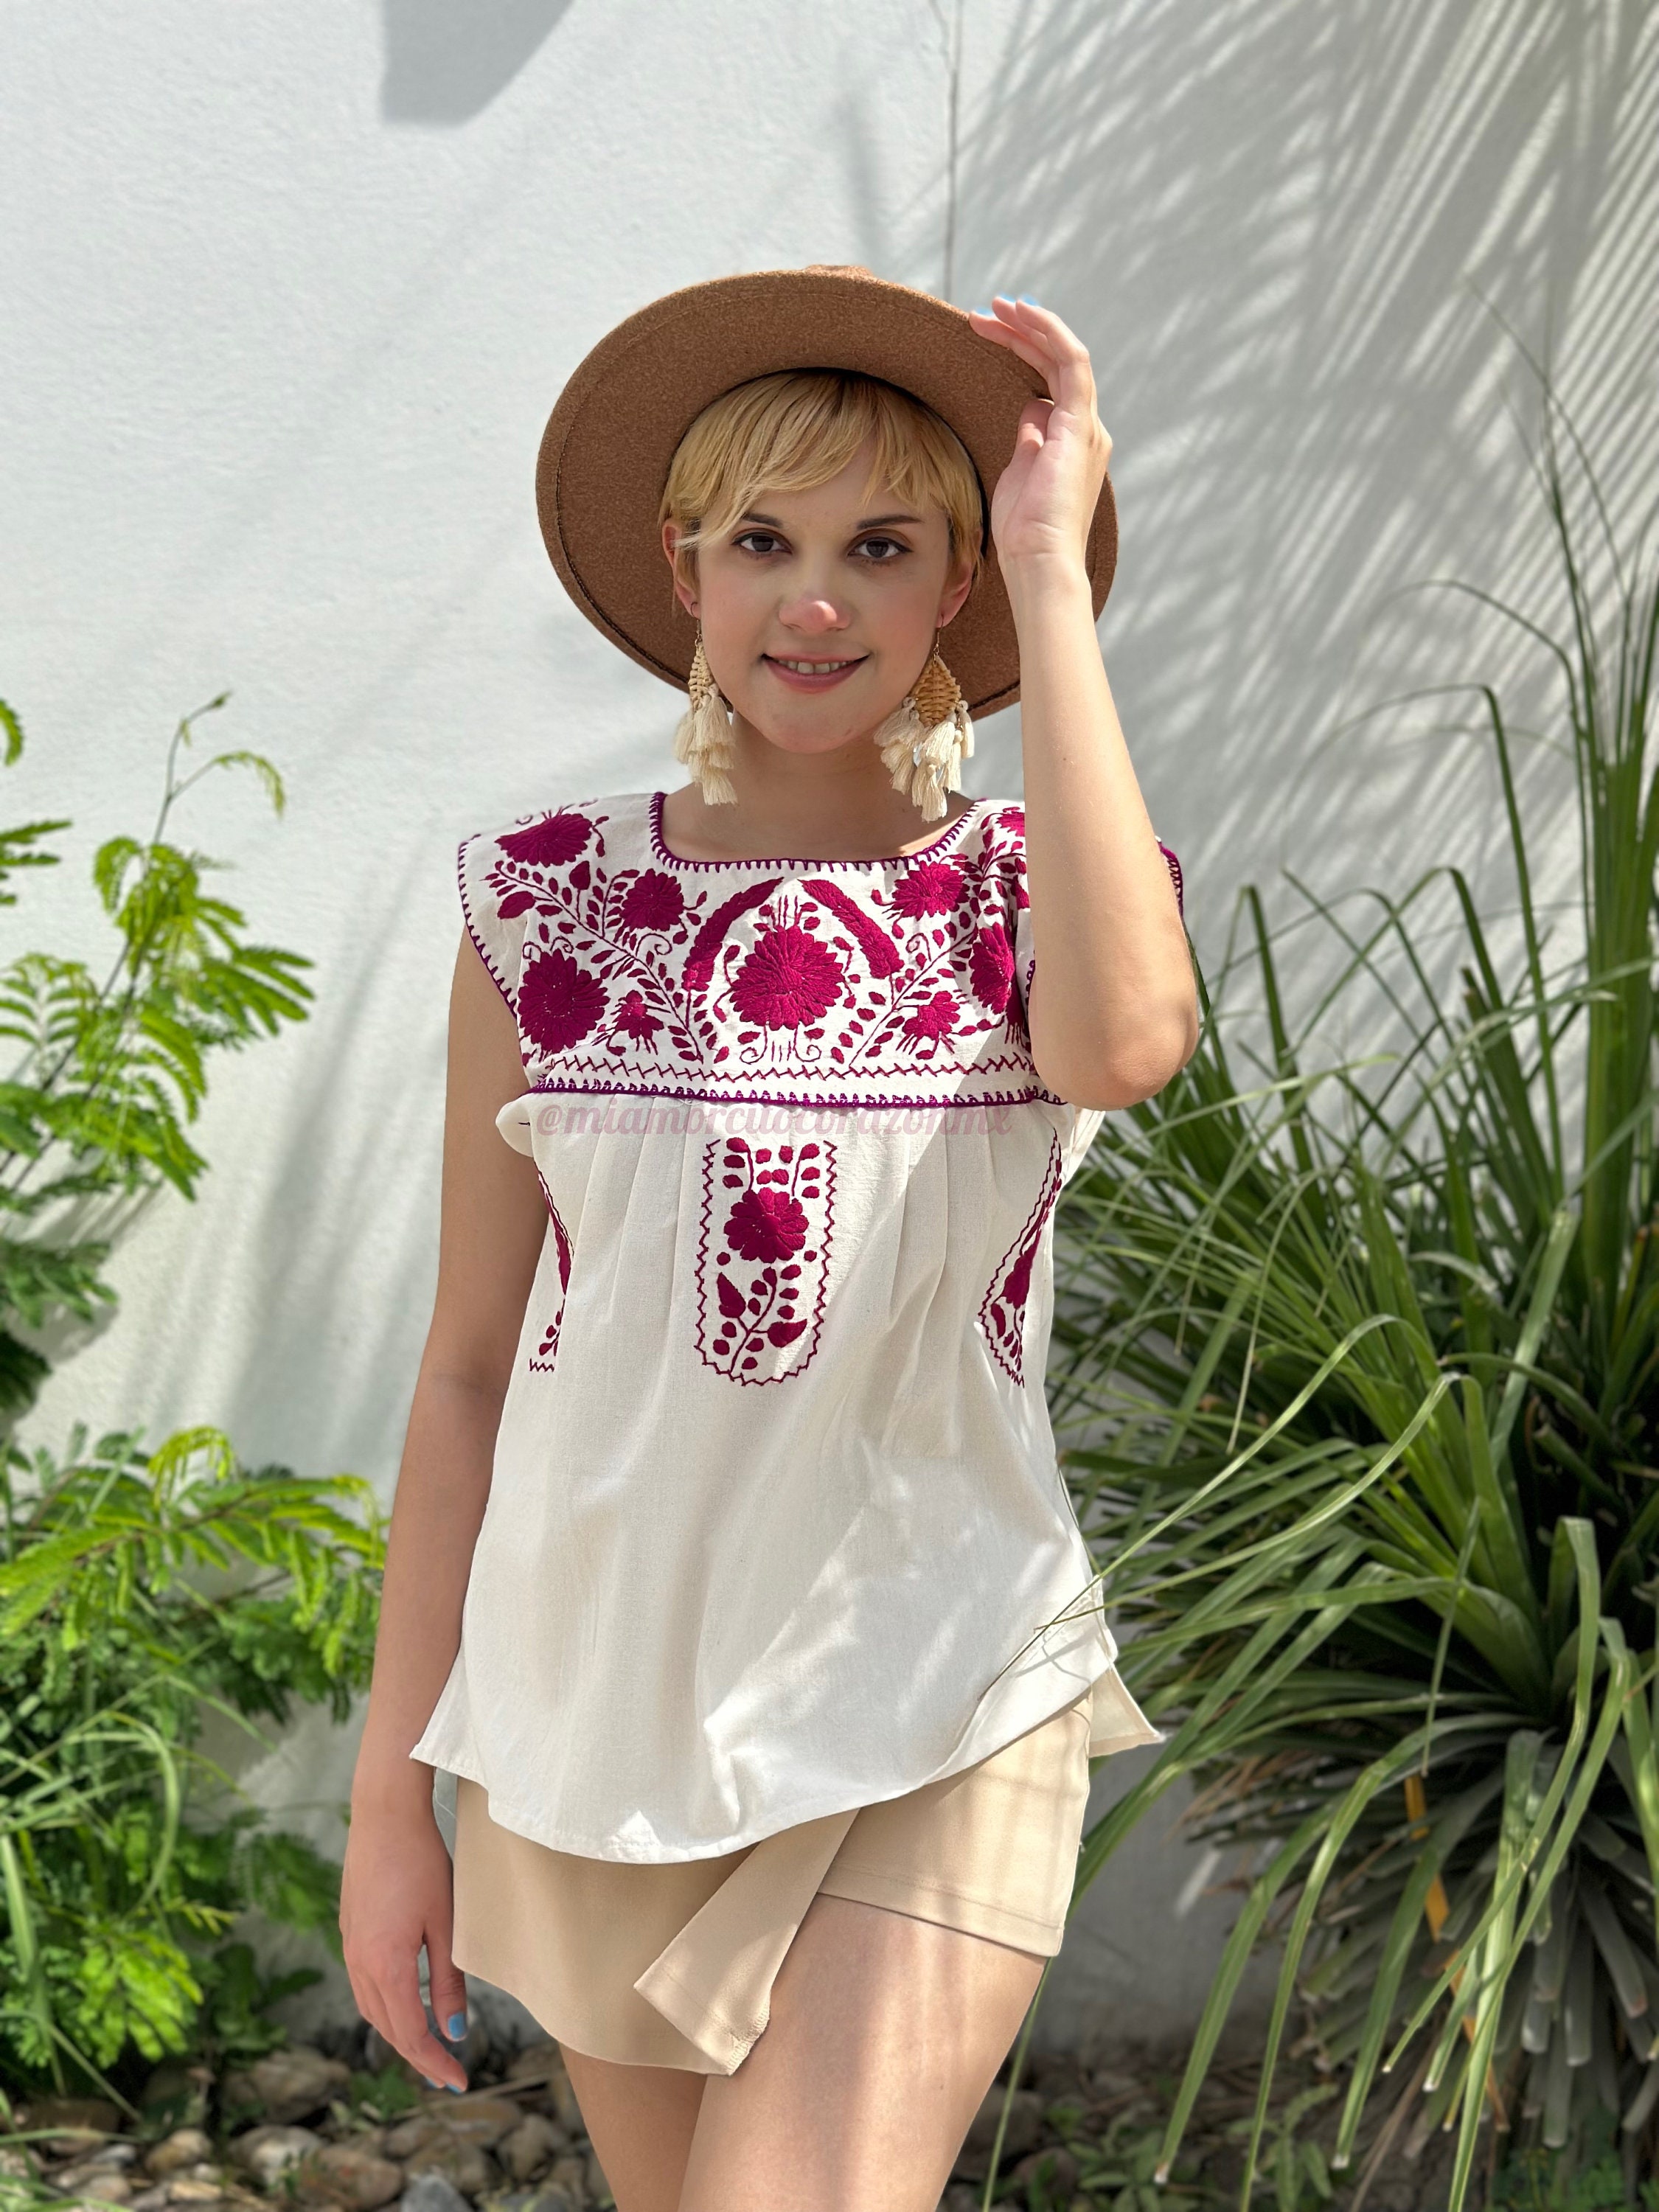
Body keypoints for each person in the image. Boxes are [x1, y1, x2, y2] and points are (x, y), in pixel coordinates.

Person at [340, 265, 1198, 2212]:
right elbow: (469, 1365)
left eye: (883, 546)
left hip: (938, 1689)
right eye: (764, 542)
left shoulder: (1025, 895)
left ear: (949, 588)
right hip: (596, 1718)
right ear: (687, 569)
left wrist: (1056, 563)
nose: (815, 600)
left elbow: (1124, 1046)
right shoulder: (541, 909)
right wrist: (393, 1796)